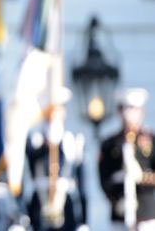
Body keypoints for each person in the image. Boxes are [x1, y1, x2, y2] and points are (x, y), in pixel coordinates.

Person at [24, 87, 87, 231]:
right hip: (39, 204)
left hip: (66, 206)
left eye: (58, 109)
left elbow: (82, 184)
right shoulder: (35, 140)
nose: (54, 114)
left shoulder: (72, 141)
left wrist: (83, 219)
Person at [99, 88, 155, 231]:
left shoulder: (151, 140)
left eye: (134, 109)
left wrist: (142, 177)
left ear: (141, 112)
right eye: (126, 109)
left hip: (146, 211)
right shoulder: (110, 144)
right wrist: (115, 201)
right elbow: (104, 177)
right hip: (120, 210)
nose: (130, 114)